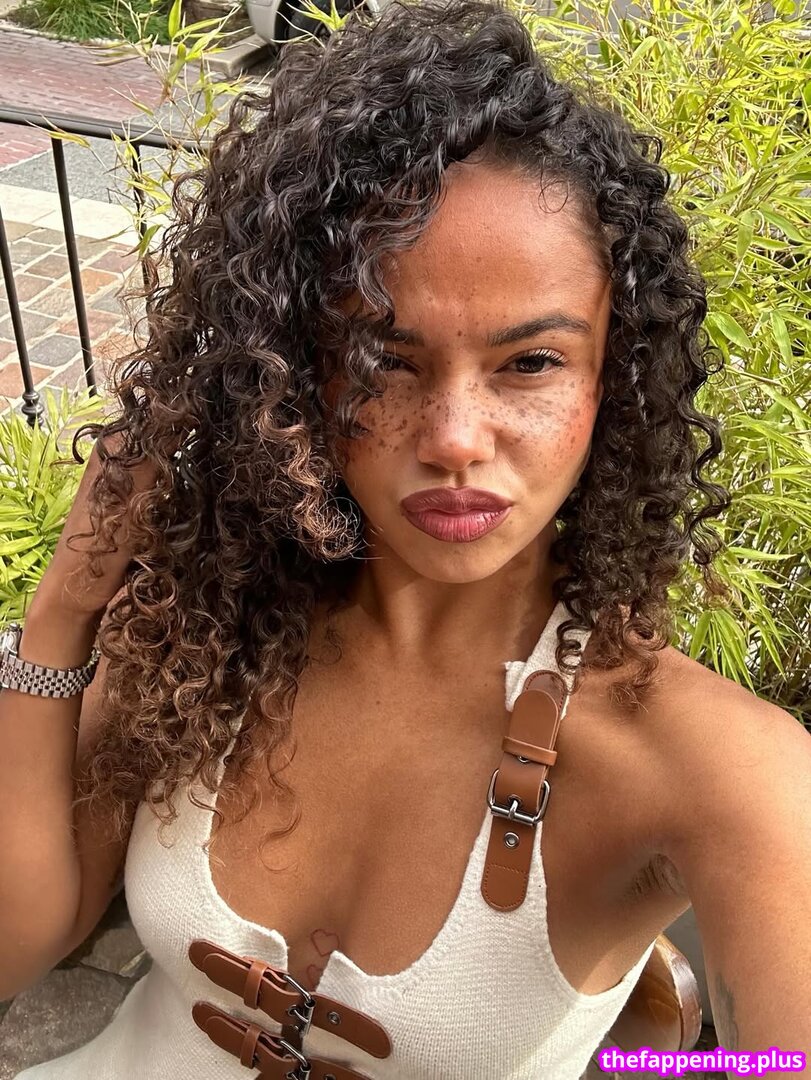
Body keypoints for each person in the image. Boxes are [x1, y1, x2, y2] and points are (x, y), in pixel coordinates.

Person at [1, 0, 809, 1077]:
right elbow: (18, 945)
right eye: (384, 359)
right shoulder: (206, 629)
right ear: (293, 369)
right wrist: (63, 615)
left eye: (530, 364)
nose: (456, 439)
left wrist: (634, 1071)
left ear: (612, 380)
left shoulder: (716, 770)